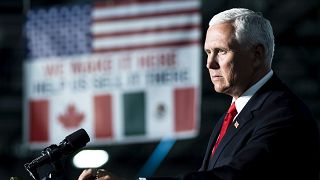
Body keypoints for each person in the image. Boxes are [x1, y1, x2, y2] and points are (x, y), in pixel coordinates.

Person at [78, 8, 320, 180]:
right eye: (207, 52)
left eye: (221, 51)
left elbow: (232, 177)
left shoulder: (284, 115)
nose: (209, 64)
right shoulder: (234, 115)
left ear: (257, 54)